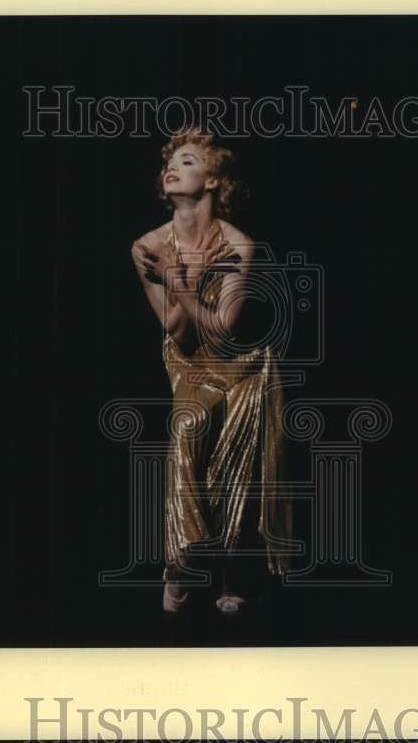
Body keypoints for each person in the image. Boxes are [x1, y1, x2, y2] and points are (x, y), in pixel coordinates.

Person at [130, 127, 292, 614]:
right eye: (169, 163)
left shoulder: (240, 245)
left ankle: (232, 573)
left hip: (239, 362)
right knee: (189, 425)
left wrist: (180, 278)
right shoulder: (147, 244)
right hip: (188, 363)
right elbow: (176, 331)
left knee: (235, 450)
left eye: (187, 160)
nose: (171, 168)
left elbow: (223, 329)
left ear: (215, 179)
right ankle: (179, 563)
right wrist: (179, 281)